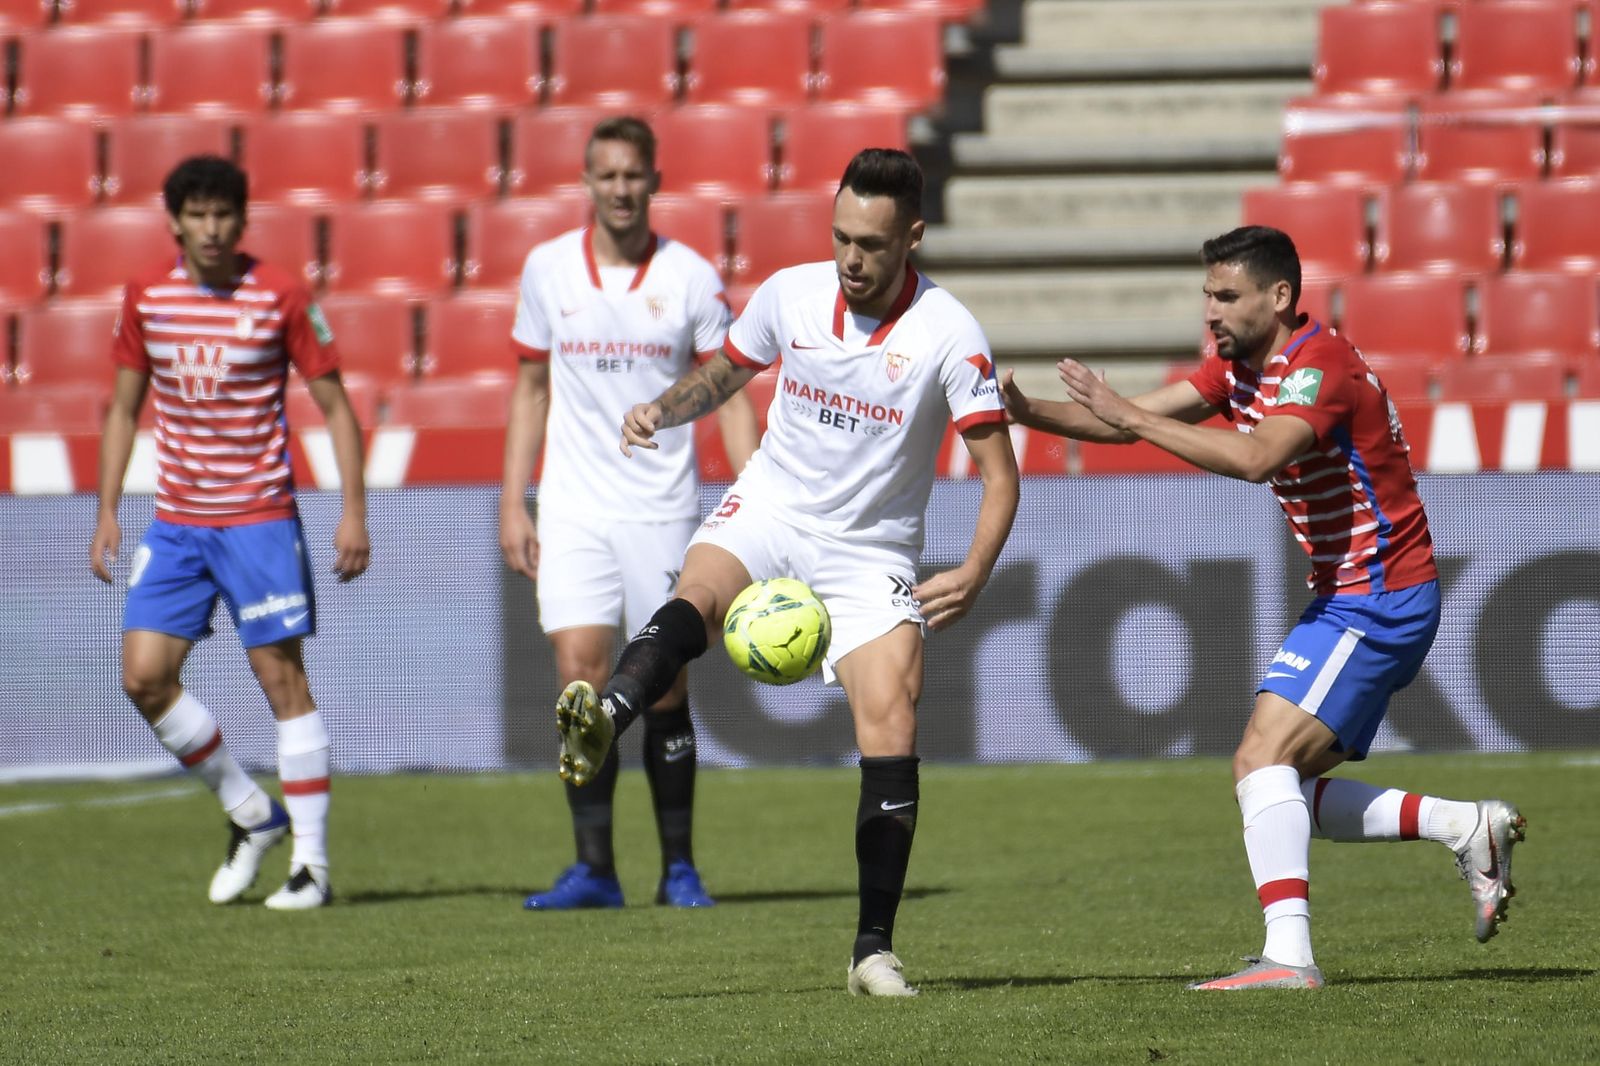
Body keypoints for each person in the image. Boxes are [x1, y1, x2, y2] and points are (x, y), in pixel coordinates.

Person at [1001, 225, 1526, 990]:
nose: (1209, 310)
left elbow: (1255, 459)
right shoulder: (1235, 369)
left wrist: (1132, 415)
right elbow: (1123, 419)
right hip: (1353, 596)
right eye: (1207, 294)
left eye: (1225, 295)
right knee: (1279, 790)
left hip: (1378, 596)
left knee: (1259, 762)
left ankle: (1289, 959)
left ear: (1279, 297)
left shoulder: (1319, 366)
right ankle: (1463, 825)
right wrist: (1025, 410)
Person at [552, 147, 1021, 996]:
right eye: (841, 236)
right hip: (772, 506)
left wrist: (977, 569)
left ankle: (871, 950)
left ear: (911, 237)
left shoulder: (950, 333)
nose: (851, 258)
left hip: (868, 548)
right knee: (693, 594)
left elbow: (1000, 472)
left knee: (893, 715)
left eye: (872, 244)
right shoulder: (791, 294)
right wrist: (665, 407)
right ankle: (611, 713)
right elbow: (728, 370)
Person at [89, 156, 370, 910]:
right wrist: (108, 507)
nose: (212, 228)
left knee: (284, 684)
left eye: (225, 214)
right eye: (198, 214)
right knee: (142, 677)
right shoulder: (146, 296)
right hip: (177, 522)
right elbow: (122, 408)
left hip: (259, 521)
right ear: (175, 220)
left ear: (242, 221)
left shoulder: (280, 294)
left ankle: (311, 865)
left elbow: (337, 407)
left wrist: (353, 510)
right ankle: (251, 814)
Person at [500, 116, 759, 911]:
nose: (620, 189)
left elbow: (730, 389)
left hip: (661, 507)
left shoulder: (688, 277)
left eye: (633, 175)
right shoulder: (547, 271)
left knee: (663, 685)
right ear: (587, 181)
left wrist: (752, 494)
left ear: (653, 181)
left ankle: (679, 866)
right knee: (580, 675)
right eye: (606, 175)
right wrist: (513, 499)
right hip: (574, 504)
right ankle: (594, 870)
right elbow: (531, 390)